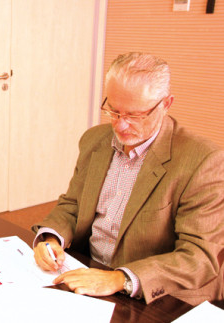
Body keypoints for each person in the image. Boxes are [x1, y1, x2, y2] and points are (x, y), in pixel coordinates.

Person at [33, 52, 224, 305]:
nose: (120, 126)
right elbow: (72, 205)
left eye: (134, 116)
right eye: (113, 110)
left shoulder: (203, 161)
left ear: (166, 104)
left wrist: (119, 279)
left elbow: (199, 256)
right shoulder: (94, 140)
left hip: (154, 294)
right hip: (88, 273)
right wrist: (51, 239)